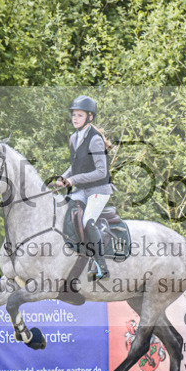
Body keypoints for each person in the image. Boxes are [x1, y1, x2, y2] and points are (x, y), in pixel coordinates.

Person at [55, 94, 114, 280]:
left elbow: (101, 172)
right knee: (64, 214)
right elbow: (76, 165)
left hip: (98, 190)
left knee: (88, 220)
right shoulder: (74, 138)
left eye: (79, 115)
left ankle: (101, 265)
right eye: (73, 115)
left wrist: (75, 180)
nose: (75, 118)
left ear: (90, 117)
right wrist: (64, 177)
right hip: (81, 190)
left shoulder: (95, 140)